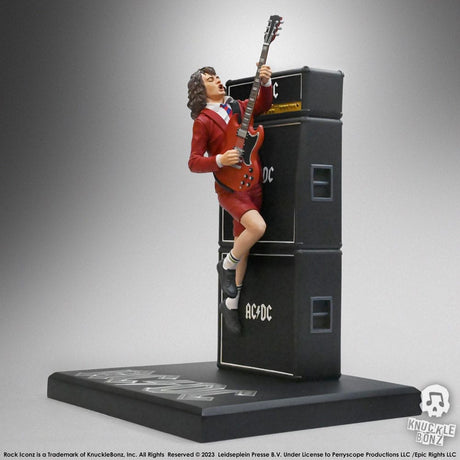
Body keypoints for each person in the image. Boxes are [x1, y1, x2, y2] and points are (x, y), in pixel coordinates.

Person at [187, 65, 272, 335]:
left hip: (253, 184)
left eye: (217, 77)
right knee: (257, 227)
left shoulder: (236, 106)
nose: (218, 81)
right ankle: (226, 264)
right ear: (201, 91)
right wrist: (220, 160)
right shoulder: (203, 121)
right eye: (210, 80)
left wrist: (265, 83)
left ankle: (231, 305)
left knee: (242, 246)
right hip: (230, 189)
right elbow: (194, 162)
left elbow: (262, 105)